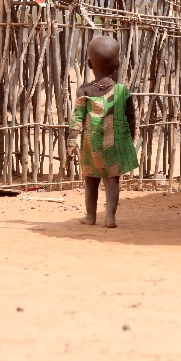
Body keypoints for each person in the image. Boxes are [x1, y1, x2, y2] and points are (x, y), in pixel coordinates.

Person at [67, 35, 138, 227]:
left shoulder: (85, 90)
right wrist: (129, 140)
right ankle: (110, 217)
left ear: (89, 64)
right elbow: (131, 118)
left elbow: (77, 119)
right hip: (114, 143)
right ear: (118, 65)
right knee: (112, 181)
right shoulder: (122, 91)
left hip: (91, 145)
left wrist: (71, 143)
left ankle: (90, 217)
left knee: (91, 181)